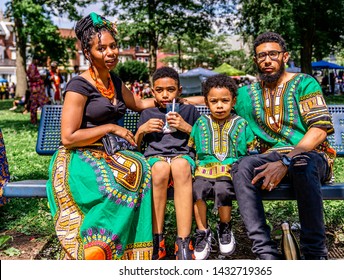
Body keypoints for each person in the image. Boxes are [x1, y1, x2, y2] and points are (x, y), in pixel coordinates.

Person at [46, 12, 157, 260]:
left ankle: (128, 251)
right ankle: (95, 247)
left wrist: (175, 99)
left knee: (140, 168)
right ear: (88, 53)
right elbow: (68, 137)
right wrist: (110, 128)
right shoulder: (78, 86)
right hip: (79, 155)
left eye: (113, 46)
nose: (110, 53)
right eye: (102, 49)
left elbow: (138, 104)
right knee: (127, 174)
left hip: (109, 151)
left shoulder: (114, 81)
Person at [231, 32, 336, 260]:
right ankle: (266, 253)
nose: (267, 60)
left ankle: (315, 254)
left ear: (285, 56)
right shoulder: (246, 94)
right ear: (255, 61)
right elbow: (211, 98)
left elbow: (318, 130)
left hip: (311, 156)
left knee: (302, 164)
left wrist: (285, 162)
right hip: (272, 157)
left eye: (273, 54)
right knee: (241, 167)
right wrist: (146, 103)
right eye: (261, 56)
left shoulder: (304, 83)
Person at [135, 66, 201, 260]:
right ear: (152, 91)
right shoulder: (147, 114)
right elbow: (137, 148)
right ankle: (157, 240)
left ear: (179, 91)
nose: (165, 94)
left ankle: (183, 241)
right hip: (156, 158)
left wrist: (186, 127)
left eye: (170, 90)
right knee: (161, 168)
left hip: (182, 157)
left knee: (180, 166)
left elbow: (202, 142)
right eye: (160, 90)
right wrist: (142, 131)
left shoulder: (189, 111)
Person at [188, 74, 257, 260]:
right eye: (214, 101)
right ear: (206, 102)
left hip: (229, 171)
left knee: (222, 189)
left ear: (233, 101)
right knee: (197, 189)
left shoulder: (240, 124)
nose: (219, 106)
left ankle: (224, 227)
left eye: (225, 101)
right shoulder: (201, 123)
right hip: (204, 169)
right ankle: (202, 231)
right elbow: (192, 148)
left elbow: (250, 150)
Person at [27, 56, 50, 124]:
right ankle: (42, 121)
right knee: (40, 105)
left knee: (38, 105)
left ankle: (36, 121)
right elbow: (32, 77)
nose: (38, 61)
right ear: (34, 59)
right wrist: (41, 76)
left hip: (37, 89)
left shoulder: (33, 67)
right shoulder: (32, 66)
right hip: (36, 89)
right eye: (37, 60)